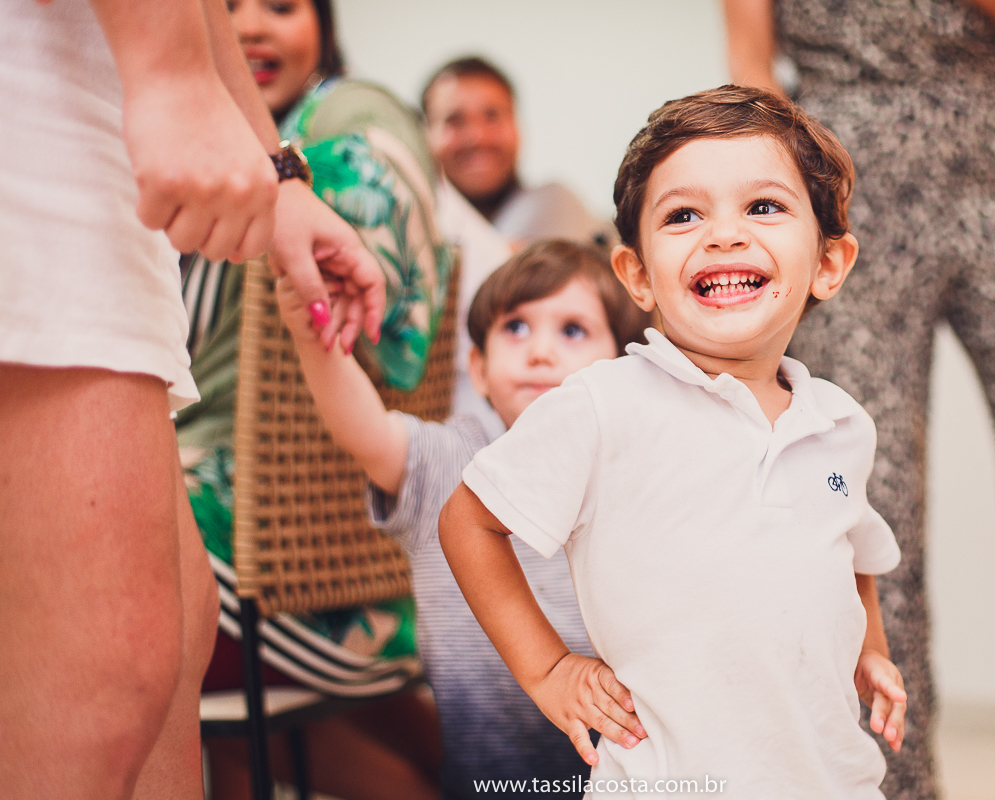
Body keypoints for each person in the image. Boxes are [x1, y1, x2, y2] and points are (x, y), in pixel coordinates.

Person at [722, 2, 995, 797]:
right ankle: (883, 785)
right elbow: (749, 65)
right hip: (847, 181)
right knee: (867, 503)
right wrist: (783, 204)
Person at [440, 86, 909, 798]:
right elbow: (467, 520)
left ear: (828, 263)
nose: (723, 235)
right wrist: (549, 669)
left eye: (764, 207)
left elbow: (854, 552)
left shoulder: (842, 425)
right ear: (637, 276)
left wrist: (868, 647)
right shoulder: (604, 405)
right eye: (684, 215)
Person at [0, 0, 384, 797]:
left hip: (100, 116)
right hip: (41, 109)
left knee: (175, 638)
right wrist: (167, 72)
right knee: (103, 674)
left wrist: (276, 168)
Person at [178, 0, 452, 797]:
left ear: (326, 27)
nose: (252, 26)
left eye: (281, 6)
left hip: (261, 555)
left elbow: (374, 309)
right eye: (228, 7)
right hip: (359, 572)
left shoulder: (348, 118)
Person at [276, 239, 652, 799]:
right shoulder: (447, 464)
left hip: (628, 774)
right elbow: (365, 429)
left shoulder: (635, 478)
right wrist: (315, 331)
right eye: (515, 329)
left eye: (571, 330)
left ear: (620, 372)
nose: (539, 352)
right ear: (476, 369)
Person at [422, 56, 615, 247]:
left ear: (517, 126)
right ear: (423, 135)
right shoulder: (411, 229)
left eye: (492, 116)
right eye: (454, 120)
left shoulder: (554, 206)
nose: (477, 136)